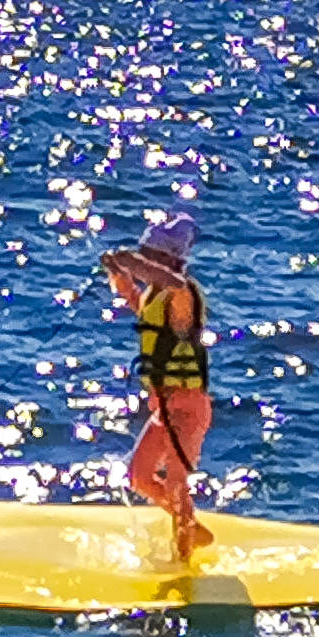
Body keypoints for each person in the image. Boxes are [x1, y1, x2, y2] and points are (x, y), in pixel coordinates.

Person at [101, 214, 214, 558]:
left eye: (150, 256)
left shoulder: (184, 294)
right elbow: (141, 308)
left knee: (178, 482)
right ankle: (192, 527)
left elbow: (174, 285)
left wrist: (133, 263)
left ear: (169, 261)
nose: (144, 261)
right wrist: (119, 275)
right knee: (140, 477)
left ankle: (184, 555)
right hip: (163, 407)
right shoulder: (155, 295)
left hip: (189, 406)